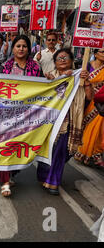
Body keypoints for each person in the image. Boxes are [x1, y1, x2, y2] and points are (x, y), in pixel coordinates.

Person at [37, 49, 92, 195]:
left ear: (72, 60)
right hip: (49, 121)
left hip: (69, 120)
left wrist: (85, 82)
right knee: (47, 149)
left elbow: (89, 97)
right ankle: (45, 175)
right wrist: (50, 82)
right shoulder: (49, 77)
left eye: (65, 57)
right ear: (54, 62)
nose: (62, 60)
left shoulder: (79, 76)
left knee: (62, 151)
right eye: (59, 58)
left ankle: (53, 181)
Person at [0, 34, 42, 197]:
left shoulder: (36, 67)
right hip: (8, 114)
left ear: (29, 49)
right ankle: (5, 181)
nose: (21, 49)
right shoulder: (5, 67)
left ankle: (10, 173)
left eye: (24, 46)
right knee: (7, 146)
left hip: (29, 114)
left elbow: (43, 88)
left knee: (23, 146)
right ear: (13, 48)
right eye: (18, 46)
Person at [74, 48, 104, 169]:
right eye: (102, 51)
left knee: (98, 129)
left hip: (100, 103)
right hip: (86, 100)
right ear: (95, 54)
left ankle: (96, 154)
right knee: (86, 127)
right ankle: (84, 152)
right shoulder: (86, 65)